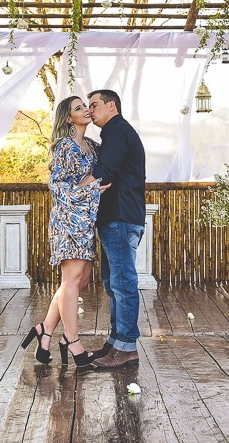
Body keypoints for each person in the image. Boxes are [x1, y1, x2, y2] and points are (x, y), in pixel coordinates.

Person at [20, 95, 102, 369]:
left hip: (86, 221)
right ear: (69, 118)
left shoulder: (91, 146)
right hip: (68, 220)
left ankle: (44, 330)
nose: (86, 110)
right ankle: (72, 341)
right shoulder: (65, 147)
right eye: (79, 108)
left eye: (86, 106)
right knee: (72, 279)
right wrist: (89, 189)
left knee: (81, 279)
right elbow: (57, 187)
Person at [87, 87, 147, 370]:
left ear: (112, 106)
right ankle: (115, 341)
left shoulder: (117, 131)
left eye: (95, 105)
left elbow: (104, 171)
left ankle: (126, 347)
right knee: (113, 284)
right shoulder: (113, 133)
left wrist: (70, 191)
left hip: (121, 218)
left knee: (122, 283)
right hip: (116, 218)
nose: (90, 110)